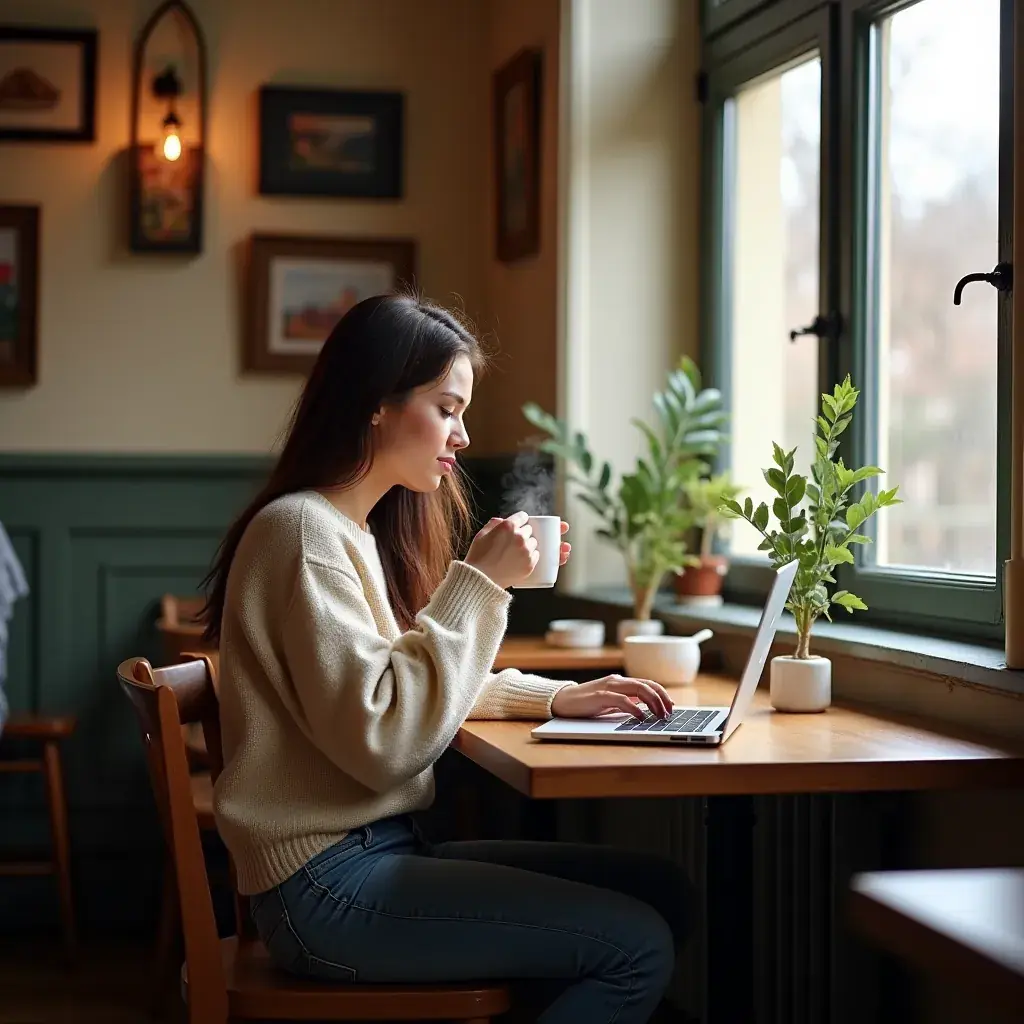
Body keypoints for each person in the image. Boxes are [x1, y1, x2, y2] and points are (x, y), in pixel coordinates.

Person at [199, 294, 694, 1024]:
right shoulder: (303, 533)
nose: (462, 436)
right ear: (377, 403)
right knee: (637, 947)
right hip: (327, 887)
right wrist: (481, 581)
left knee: (664, 891)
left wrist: (556, 698)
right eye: (448, 407)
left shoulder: (348, 532)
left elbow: (397, 682)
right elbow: (386, 742)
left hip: (372, 854)